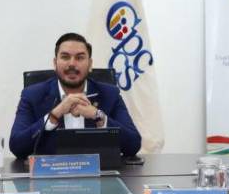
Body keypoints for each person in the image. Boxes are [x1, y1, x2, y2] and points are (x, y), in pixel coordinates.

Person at [9, 32, 141, 160]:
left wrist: (98, 116)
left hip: (99, 172)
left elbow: (133, 145)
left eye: (79, 58)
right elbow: (17, 147)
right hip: (51, 173)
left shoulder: (110, 94)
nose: (72, 63)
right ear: (55, 63)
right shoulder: (32, 95)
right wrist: (54, 115)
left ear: (90, 64)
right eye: (65, 57)